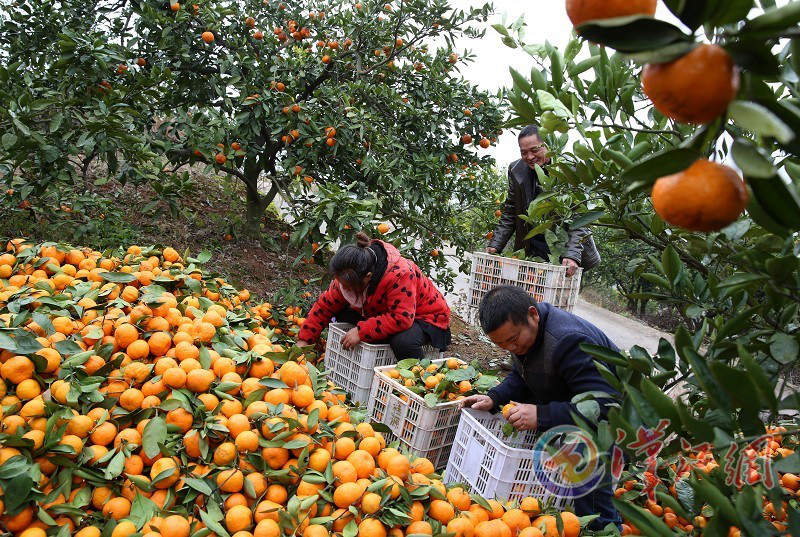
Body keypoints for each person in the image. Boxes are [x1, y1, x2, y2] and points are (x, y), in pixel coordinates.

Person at [460, 285, 621, 530]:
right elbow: (522, 375)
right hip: (573, 401)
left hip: (618, 422)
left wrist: (541, 415)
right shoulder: (528, 336)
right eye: (502, 345)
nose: (511, 348)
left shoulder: (569, 341)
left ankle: (603, 526)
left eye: (513, 340)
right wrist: (494, 397)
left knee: (585, 451)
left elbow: (604, 406)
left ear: (533, 314)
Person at [297, 232, 451, 359]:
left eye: (347, 287)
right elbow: (325, 306)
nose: (342, 288)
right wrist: (304, 340)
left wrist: (362, 331)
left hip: (425, 317)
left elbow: (401, 318)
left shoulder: (400, 274)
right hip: (384, 311)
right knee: (341, 312)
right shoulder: (349, 273)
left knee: (403, 342)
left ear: (368, 277)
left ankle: (418, 378)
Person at [487, 125, 600, 276]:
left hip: (562, 253)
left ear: (547, 145)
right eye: (524, 152)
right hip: (531, 251)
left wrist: (572, 255)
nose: (529, 157)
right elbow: (510, 211)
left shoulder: (570, 169)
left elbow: (580, 218)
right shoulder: (516, 170)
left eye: (534, 150)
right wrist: (496, 244)